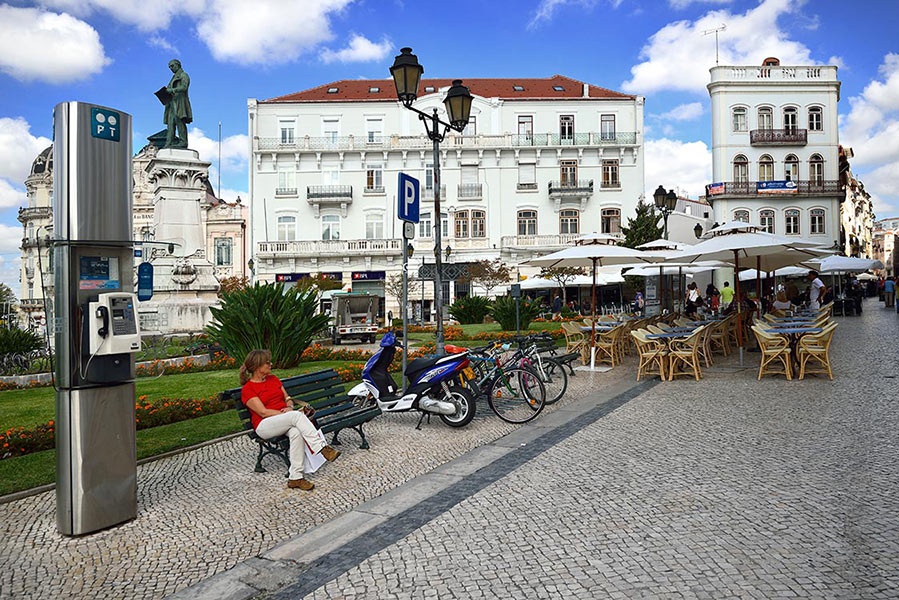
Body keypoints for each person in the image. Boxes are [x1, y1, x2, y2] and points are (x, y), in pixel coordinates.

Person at [240, 349, 340, 491]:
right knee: (296, 416)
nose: (271, 364)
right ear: (257, 366)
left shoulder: (273, 379)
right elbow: (262, 412)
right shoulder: (248, 389)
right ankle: (321, 448)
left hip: (285, 419)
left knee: (296, 433)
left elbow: (288, 398)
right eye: (267, 363)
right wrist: (286, 414)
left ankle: (295, 478)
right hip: (265, 424)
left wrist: (289, 406)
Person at [163, 59, 192, 149]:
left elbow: (184, 87)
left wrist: (172, 90)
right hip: (171, 103)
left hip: (179, 103)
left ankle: (183, 142)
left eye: (172, 66)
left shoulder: (183, 75)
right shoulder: (173, 77)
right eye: (169, 67)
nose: (171, 68)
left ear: (178, 65)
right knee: (170, 124)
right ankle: (168, 143)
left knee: (180, 122)